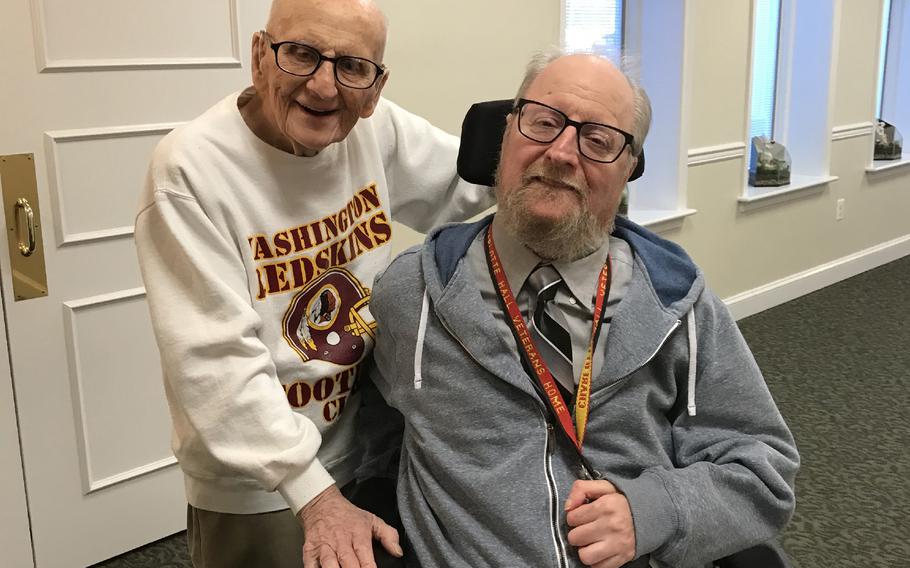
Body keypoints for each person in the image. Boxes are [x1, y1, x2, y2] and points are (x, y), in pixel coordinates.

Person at [364, 51, 800, 567]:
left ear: (629, 168)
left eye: (598, 141)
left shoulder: (679, 306)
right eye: (543, 122)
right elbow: (377, 437)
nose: (562, 152)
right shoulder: (410, 292)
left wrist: (654, 511)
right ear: (506, 136)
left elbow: (763, 471)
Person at [134, 0, 492, 566]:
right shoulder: (190, 171)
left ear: (375, 87)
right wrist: (313, 493)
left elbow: (468, 183)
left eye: (352, 66)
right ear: (259, 56)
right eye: (301, 53)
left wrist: (554, 144)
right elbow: (215, 367)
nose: (325, 86)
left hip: (364, 445)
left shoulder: (376, 129)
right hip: (261, 481)